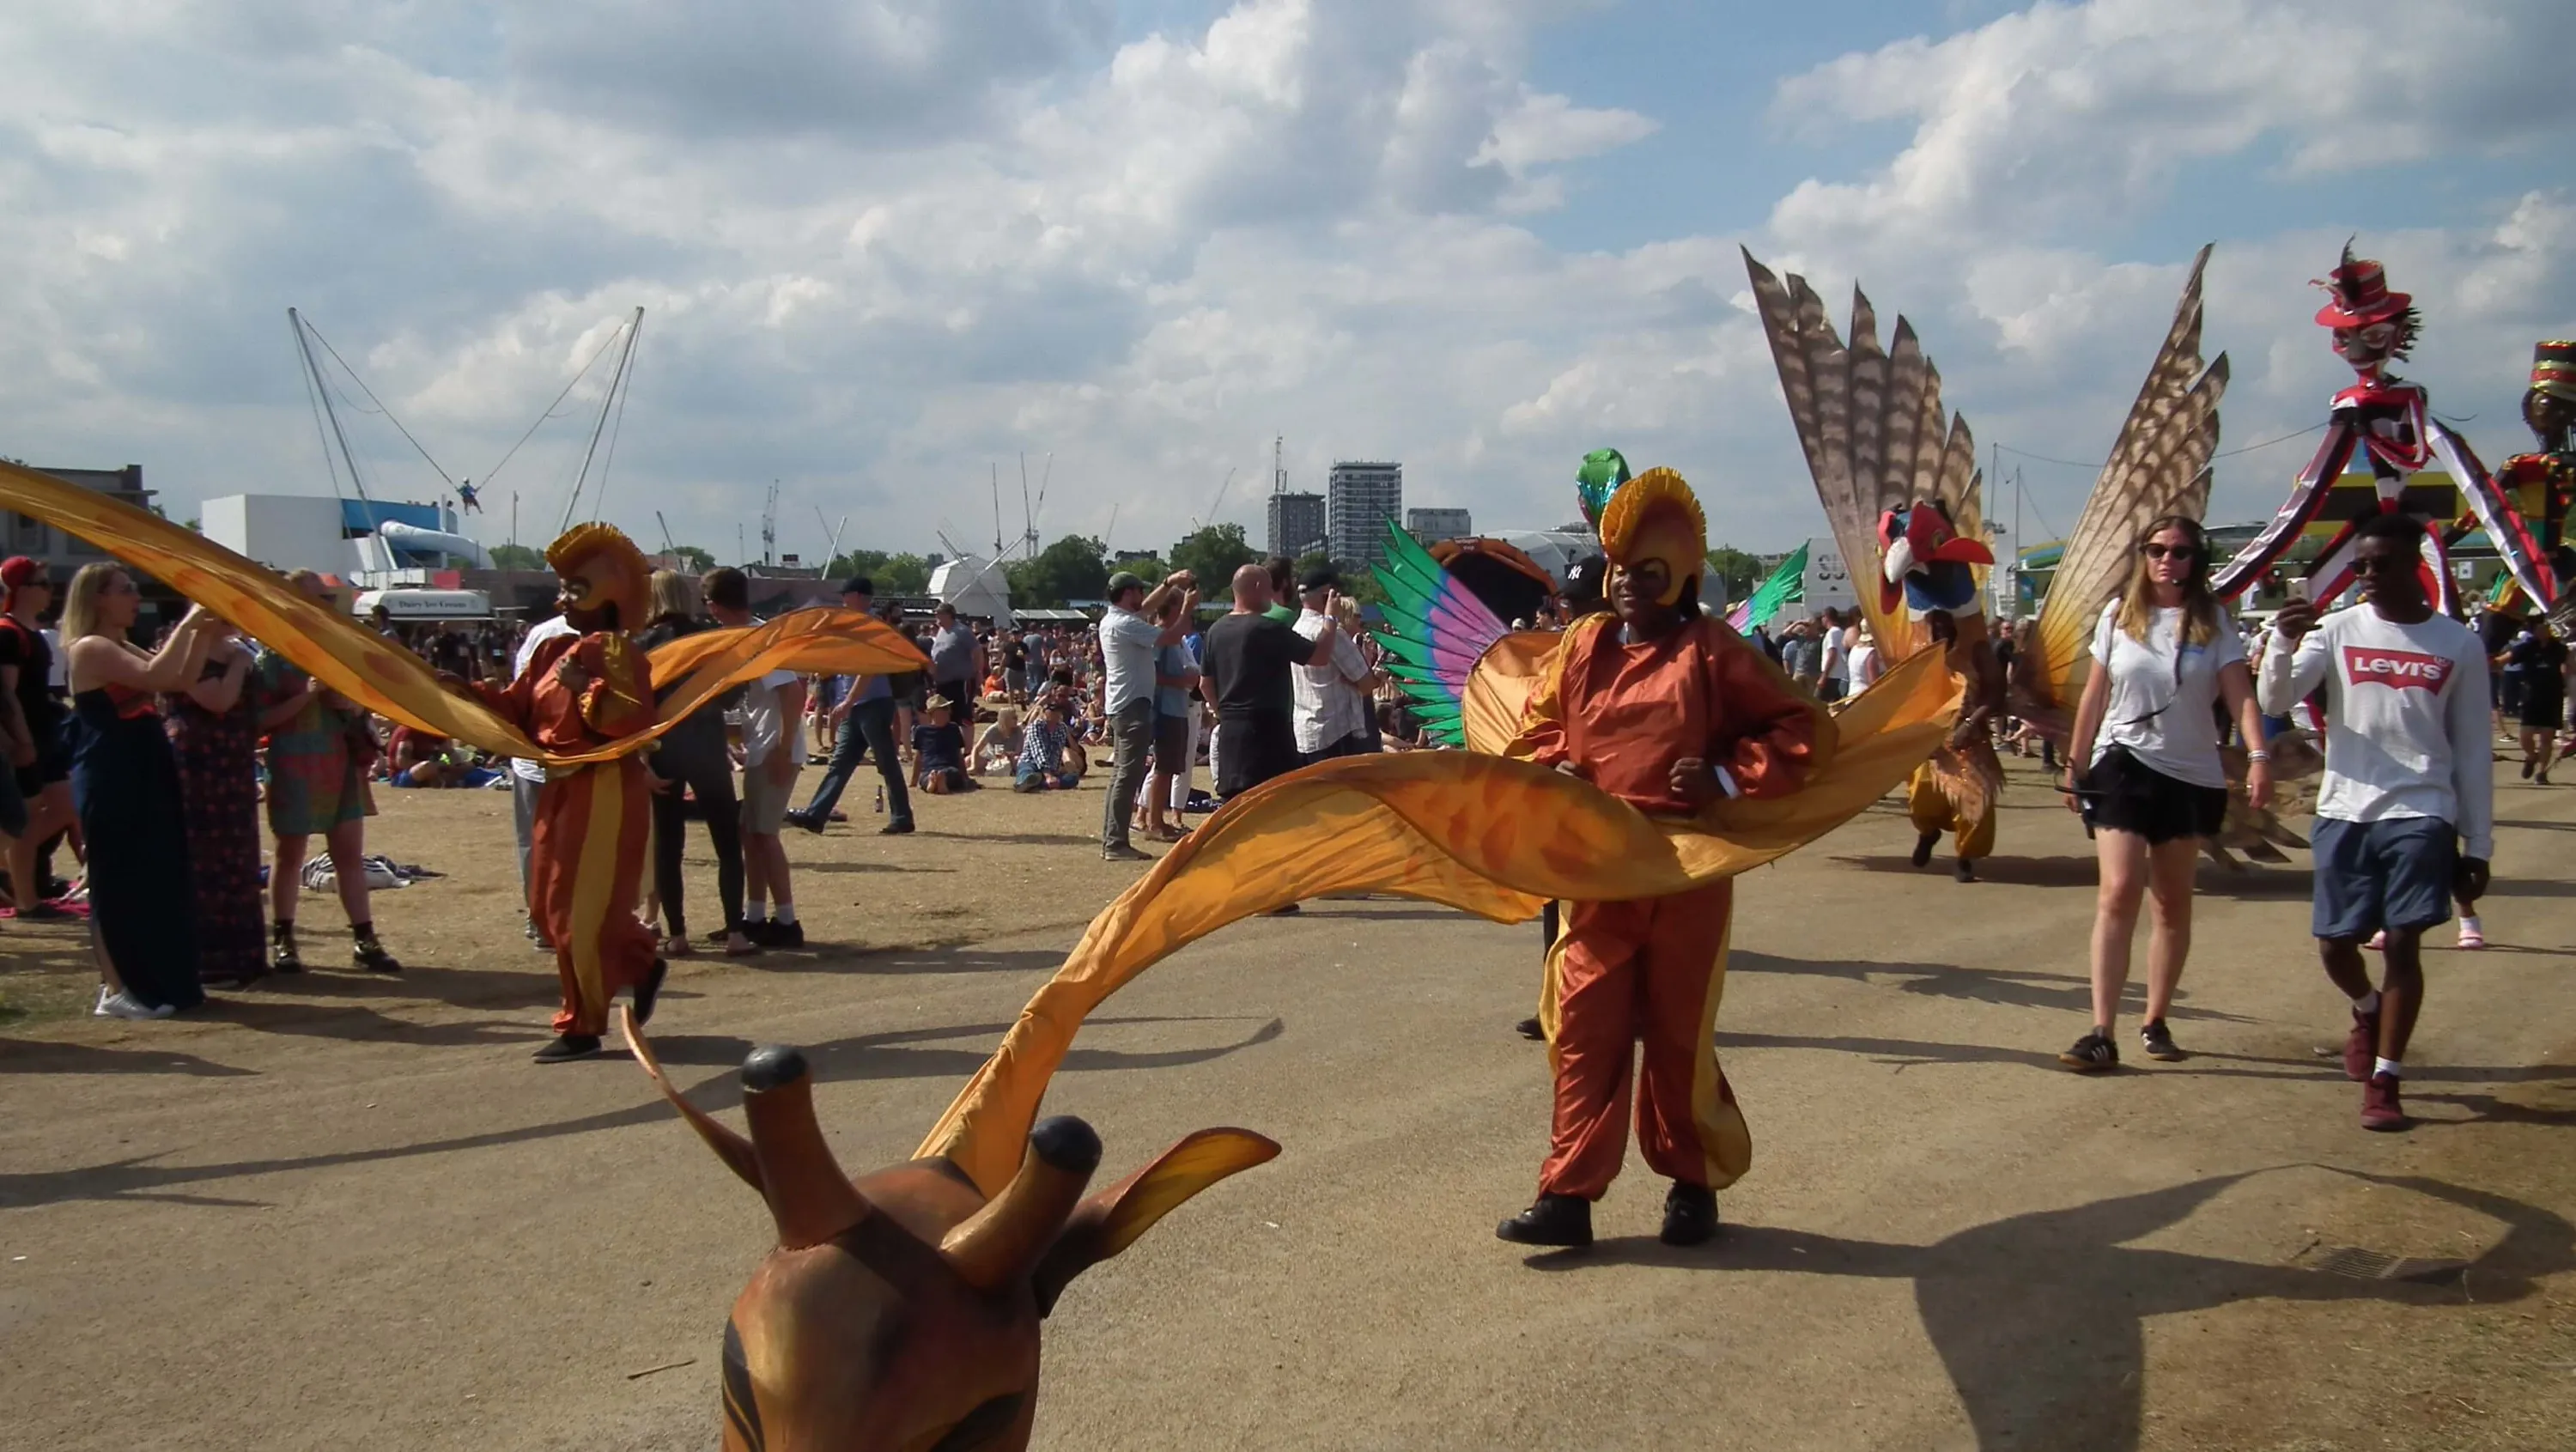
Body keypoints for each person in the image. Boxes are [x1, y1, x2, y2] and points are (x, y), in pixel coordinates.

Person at [1493, 468, 1826, 1248]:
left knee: (1680, 1033)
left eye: (1649, 572)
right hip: (1601, 868)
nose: (1630, 586)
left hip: (1687, 871)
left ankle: (1692, 1183)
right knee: (1584, 1028)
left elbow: (1799, 728)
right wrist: (1557, 772)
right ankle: (1568, 1195)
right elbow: (1536, 735)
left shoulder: (1711, 650)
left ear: (1682, 576)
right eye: (1620, 572)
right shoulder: (1583, 646)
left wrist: (1720, 775)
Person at [2257, 511, 2493, 1131]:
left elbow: (2471, 750)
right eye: (2359, 564)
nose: (2365, 575)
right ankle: (2366, 1009)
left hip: (2423, 809)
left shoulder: (2458, 645)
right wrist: (2281, 642)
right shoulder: (2335, 630)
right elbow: (2274, 701)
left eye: (2379, 564)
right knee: (2335, 944)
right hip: (2345, 808)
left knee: (2405, 944)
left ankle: (2387, 1077)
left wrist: (2479, 844)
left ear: (2413, 564)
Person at [2054, 517, 2270, 1072]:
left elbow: (2240, 694)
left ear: (2197, 560)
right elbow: (2094, 694)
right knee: (2120, 888)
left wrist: (2259, 755)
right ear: (2142, 555)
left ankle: (2155, 1017)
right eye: (2155, 549)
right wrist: (2075, 764)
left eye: (2179, 551)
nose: (2166, 559)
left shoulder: (2213, 622)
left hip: (2191, 774)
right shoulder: (2118, 616)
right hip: (2124, 764)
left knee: (2172, 901)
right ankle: (2102, 1029)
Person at [470, 525, 668, 1062]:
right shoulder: (552, 649)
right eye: (563, 589)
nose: (561, 600)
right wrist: (455, 696)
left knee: (574, 911)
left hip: (602, 789)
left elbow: (631, 720)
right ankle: (640, 959)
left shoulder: (615, 652)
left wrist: (587, 688)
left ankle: (582, 1024)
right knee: (548, 902)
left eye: (574, 590)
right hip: (559, 788)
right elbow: (519, 706)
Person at [61, 567, 222, 1018]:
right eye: (125, 590)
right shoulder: (90, 648)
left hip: (142, 769)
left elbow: (179, 678)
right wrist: (191, 622)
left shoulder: (118, 645)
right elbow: (155, 675)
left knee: (154, 874)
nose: (135, 597)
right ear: (97, 599)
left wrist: (204, 634)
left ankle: (158, 980)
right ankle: (117, 989)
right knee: (115, 880)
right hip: (112, 771)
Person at [257, 570, 403, 975]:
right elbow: (261, 720)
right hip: (293, 761)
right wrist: (309, 694)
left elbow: (360, 703)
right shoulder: (271, 655)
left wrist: (352, 704)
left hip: (338, 761)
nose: (321, 606)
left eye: (324, 598)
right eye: (312, 598)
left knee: (348, 855)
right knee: (289, 855)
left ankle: (364, 939)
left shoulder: (337, 647)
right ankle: (284, 940)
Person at [638, 570, 749, 958]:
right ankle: (736, 931)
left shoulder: (643, 643)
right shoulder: (706, 637)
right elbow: (733, 694)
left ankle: (679, 934)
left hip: (662, 749)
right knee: (727, 843)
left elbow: (635, 708)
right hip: (705, 745)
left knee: (669, 847)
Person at [707, 567, 803, 951]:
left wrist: (783, 749)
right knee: (751, 835)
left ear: (715, 606)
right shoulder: (751, 638)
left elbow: (793, 693)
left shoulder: (762, 641)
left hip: (775, 747)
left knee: (764, 835)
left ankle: (787, 921)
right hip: (764, 745)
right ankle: (756, 915)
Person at [166, 621, 265, 988]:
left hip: (234, 762)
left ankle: (244, 958)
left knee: (237, 857)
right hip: (199, 765)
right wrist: (240, 661)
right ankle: (209, 962)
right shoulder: (186, 644)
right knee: (204, 859)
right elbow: (218, 700)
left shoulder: (236, 647)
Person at [787, 579, 914, 836]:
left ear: (857, 596)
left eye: (846, 595)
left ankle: (902, 817)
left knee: (886, 761)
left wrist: (848, 701)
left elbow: (868, 669)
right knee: (840, 762)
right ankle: (816, 814)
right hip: (857, 704)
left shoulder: (869, 626)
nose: (842, 600)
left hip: (873, 703)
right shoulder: (853, 625)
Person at [1200, 563, 1328, 806]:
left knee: (1236, 810)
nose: (1272, 596)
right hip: (1267, 735)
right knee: (1274, 808)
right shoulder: (1268, 628)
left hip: (1230, 733)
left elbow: (1205, 684)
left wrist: (1223, 712)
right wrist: (1330, 619)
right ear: (1258, 587)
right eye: (1269, 588)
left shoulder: (1215, 631)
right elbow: (1319, 656)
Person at [1095, 569, 1195, 860]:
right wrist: (1188, 605)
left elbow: (1148, 607)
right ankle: (1115, 843)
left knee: (1121, 776)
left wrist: (1169, 584)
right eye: (1138, 591)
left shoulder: (1114, 620)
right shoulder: (1125, 623)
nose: (1143, 597)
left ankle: (1114, 840)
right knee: (1127, 776)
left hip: (1124, 704)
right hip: (1133, 706)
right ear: (1128, 594)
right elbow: (1172, 635)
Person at [0, 556, 75, 918]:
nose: (50, 590)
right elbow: (8, 693)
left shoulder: (29, 633)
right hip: (30, 736)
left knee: (65, 807)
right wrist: (21, 740)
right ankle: (26, 898)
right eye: (42, 583)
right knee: (26, 818)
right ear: (21, 590)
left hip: (45, 733)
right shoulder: (8, 633)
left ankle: (16, 879)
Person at [506, 610, 578, 948]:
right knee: (546, 844)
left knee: (541, 844)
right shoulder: (548, 634)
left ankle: (549, 919)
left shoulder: (544, 632)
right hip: (545, 760)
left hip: (569, 760)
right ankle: (546, 918)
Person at [1291, 567, 1379, 764]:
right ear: (1328, 594)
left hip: (1306, 732)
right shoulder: (1334, 635)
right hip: (1337, 733)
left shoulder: (1296, 629)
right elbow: (1366, 683)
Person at [1143, 592, 1200, 841]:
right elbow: (1152, 674)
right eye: (1181, 606)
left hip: (1178, 708)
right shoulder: (1160, 638)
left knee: (1171, 768)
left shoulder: (1176, 640)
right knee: (1163, 767)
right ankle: (1154, 823)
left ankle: (1160, 820)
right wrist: (1181, 682)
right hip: (1165, 708)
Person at [2506, 617, 2567, 784]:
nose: (2543, 631)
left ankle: (2541, 774)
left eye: (2546, 628)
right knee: (2525, 735)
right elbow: (2504, 659)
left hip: (2552, 696)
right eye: (2540, 628)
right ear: (2533, 631)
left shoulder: (2559, 648)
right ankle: (2531, 756)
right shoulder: (2525, 648)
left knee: (2547, 738)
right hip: (2530, 695)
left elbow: (2569, 667)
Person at [927, 604, 981, 724]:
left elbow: (977, 651)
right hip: (942, 682)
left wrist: (977, 672)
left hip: (960, 682)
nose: (936, 617)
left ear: (948, 615)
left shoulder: (962, 631)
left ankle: (966, 743)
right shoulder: (941, 631)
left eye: (939, 614)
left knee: (962, 716)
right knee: (944, 715)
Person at [1014, 697, 1081, 791]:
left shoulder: (1062, 728)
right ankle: (1027, 782)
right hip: (1030, 762)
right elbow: (1038, 751)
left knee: (1073, 778)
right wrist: (1048, 775)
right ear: (1045, 712)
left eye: (1058, 711)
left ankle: (1040, 783)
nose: (1056, 714)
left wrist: (1053, 772)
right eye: (1052, 711)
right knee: (1027, 772)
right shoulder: (1036, 726)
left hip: (1050, 767)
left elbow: (1057, 752)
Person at [911, 695, 972, 793]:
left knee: (953, 774)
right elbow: (918, 758)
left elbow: (958, 755)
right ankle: (934, 781)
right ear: (932, 714)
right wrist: (914, 781)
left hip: (949, 768)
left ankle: (937, 781)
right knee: (924, 778)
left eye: (946, 710)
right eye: (942, 710)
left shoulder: (953, 728)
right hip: (928, 770)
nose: (946, 713)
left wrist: (965, 777)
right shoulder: (921, 731)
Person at [974, 702, 1023, 777]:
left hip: (1010, 759)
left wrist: (1006, 754)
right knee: (968, 760)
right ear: (1006, 719)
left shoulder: (1018, 730)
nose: (1017, 719)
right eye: (1014, 718)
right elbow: (977, 748)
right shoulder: (993, 730)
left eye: (1016, 717)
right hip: (990, 758)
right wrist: (973, 766)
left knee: (1017, 760)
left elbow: (1018, 752)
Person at [1817, 607, 1850, 702]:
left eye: (1822, 617)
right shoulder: (1840, 632)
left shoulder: (1833, 633)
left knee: (1818, 702)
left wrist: (1824, 675)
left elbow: (1832, 653)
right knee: (1837, 703)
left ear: (1826, 617)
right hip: (1839, 675)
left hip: (1831, 675)